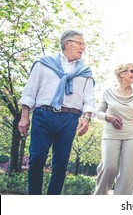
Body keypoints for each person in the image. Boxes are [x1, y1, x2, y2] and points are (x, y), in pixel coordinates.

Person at [18, 29, 95, 195]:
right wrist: (24, 116)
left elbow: (89, 98)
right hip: (43, 115)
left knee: (61, 165)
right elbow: (30, 91)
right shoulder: (43, 63)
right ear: (68, 43)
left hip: (70, 118)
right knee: (36, 159)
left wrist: (87, 118)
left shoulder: (85, 72)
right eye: (80, 43)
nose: (84, 47)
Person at [94, 62, 133, 195]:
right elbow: (98, 112)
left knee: (128, 172)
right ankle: (99, 196)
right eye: (131, 71)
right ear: (121, 74)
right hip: (111, 134)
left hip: (132, 134)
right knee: (109, 167)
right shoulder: (108, 92)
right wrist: (108, 117)